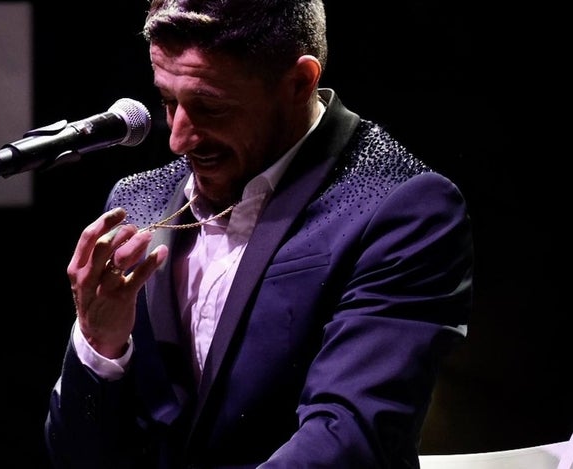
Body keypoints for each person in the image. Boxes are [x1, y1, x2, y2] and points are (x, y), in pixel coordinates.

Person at [44, 0, 474, 467]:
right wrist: (98, 346)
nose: (178, 137)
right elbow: (76, 455)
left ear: (299, 82)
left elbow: (351, 435)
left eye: (209, 106)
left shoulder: (401, 209)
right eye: (169, 102)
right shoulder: (140, 201)